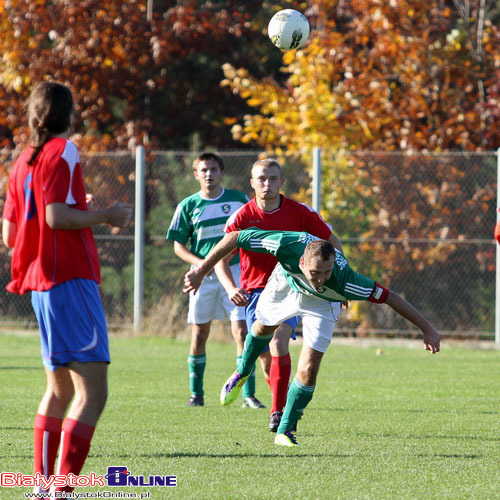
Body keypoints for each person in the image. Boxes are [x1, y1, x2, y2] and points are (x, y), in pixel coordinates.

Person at [184, 228, 441, 447]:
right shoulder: (286, 244)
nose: (321, 279)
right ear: (303, 263)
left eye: (327, 272)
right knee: (263, 330)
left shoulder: (344, 281)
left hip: (324, 304)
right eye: (316, 273)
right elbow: (236, 237)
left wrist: (427, 328)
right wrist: (200, 270)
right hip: (286, 285)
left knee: (309, 369)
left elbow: (389, 297)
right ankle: (243, 371)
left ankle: (284, 430)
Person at [2, 81, 133, 493]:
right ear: (69, 113)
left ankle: (43, 487)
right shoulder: (65, 150)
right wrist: (106, 215)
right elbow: (57, 217)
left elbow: (10, 235)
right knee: (92, 393)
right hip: (70, 281)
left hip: (40, 284)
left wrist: (78, 210)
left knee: (58, 390)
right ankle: (61, 489)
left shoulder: (21, 161)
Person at [215, 158, 343, 432]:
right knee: (264, 359)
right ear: (252, 183)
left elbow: (334, 244)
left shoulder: (301, 212)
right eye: (261, 178)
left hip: (291, 289)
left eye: (273, 178)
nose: (267, 184)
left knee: (278, 341)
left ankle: (278, 413)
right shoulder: (243, 216)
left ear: (281, 182)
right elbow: (220, 258)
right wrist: (230, 287)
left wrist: (338, 283)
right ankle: (257, 382)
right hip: (255, 293)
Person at [166, 152, 266, 409]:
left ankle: (247, 395)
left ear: (222, 173)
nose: (209, 173)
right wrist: (201, 265)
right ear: (196, 175)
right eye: (204, 169)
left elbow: (251, 231)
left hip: (235, 272)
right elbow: (178, 246)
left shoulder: (238, 200)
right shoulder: (187, 206)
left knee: (243, 331)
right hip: (203, 276)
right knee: (200, 333)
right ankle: (196, 395)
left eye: (213, 169)